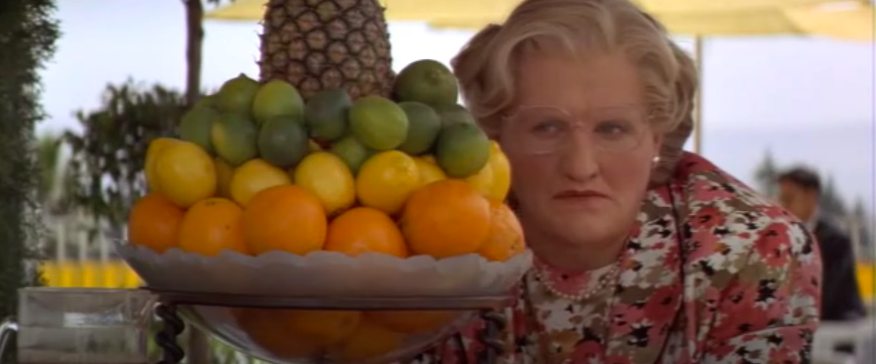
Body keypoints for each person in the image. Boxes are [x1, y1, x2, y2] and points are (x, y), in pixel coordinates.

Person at [409, 0, 822, 363]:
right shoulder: (434, 238)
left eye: (612, 129)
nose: (581, 166)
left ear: (657, 137)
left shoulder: (752, 249)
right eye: (547, 127)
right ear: (496, 135)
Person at [777, 167, 867, 322]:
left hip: (838, 327)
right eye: (781, 199)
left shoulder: (835, 240)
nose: (783, 206)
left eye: (789, 199)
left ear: (811, 195)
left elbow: (829, 294)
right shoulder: (780, 237)